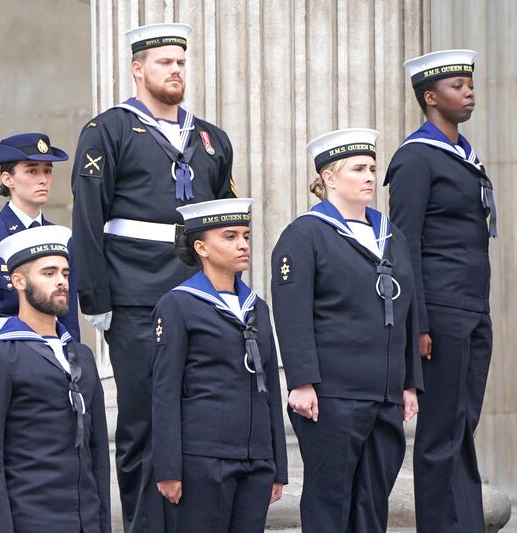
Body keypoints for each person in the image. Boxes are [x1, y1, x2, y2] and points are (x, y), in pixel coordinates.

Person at [70, 22, 235, 532]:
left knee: (202, 420)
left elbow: (227, 221)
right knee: (143, 423)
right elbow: (88, 221)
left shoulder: (210, 138)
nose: (176, 71)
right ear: (138, 69)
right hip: (138, 298)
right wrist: (96, 298)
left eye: (181, 62)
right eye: (165, 62)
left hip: (200, 296)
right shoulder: (109, 130)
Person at [271, 128, 423, 532]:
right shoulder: (305, 234)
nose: (370, 176)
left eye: (372, 168)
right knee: (330, 503)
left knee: (372, 505)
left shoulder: (391, 235)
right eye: (358, 169)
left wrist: (409, 382)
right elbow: (292, 313)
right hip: (333, 396)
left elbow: (408, 309)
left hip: (384, 395)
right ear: (330, 177)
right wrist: (301, 382)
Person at [385, 50, 496, 533]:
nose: (468, 92)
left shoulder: (465, 155)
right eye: (456, 85)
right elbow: (404, 241)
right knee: (439, 433)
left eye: (469, 84)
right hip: (442, 309)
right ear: (431, 98)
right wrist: (420, 323)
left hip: (472, 306)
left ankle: (465, 523)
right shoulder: (415, 157)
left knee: (462, 426)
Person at [151, 198, 287, 532]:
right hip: (203, 459)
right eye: (230, 236)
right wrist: (168, 469)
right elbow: (164, 391)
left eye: (245, 235)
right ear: (201, 247)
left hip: (255, 460)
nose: (243, 244)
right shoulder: (178, 305)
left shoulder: (258, 308)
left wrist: (276, 466)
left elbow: (269, 387)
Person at [0, 225, 110, 533]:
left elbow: (98, 456)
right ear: (18, 281)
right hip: (31, 521)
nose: (61, 282)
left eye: (65, 273)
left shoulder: (81, 355)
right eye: (48, 273)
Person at [0, 132, 80, 399]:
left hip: (52, 361)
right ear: (7, 179)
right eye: (31, 171)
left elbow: (68, 318)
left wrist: (75, 370)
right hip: (3, 361)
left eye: (47, 170)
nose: (43, 179)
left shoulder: (61, 237)